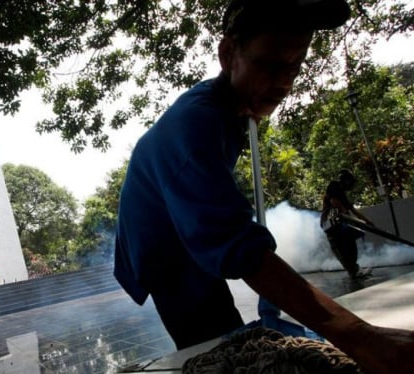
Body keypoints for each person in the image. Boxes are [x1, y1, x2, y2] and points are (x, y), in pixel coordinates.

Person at [113, 0, 414, 372]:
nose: (284, 81)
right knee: (214, 345)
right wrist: (361, 337)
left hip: (188, 240)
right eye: (268, 64)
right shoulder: (194, 127)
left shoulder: (234, 110)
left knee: (226, 330)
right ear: (228, 53)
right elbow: (240, 249)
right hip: (163, 250)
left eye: (294, 66)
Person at [320, 169, 374, 278]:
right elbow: (333, 202)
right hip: (332, 225)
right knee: (342, 249)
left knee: (351, 246)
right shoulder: (334, 186)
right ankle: (353, 271)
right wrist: (344, 211)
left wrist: (367, 221)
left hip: (341, 224)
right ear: (345, 180)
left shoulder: (342, 194)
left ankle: (354, 270)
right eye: (349, 181)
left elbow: (352, 210)